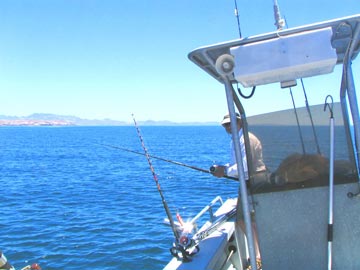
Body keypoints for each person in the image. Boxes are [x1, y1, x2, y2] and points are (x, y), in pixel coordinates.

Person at [211, 113, 266, 180]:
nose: (228, 126)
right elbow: (237, 164)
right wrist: (224, 168)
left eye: (231, 123)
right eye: (226, 124)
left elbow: (245, 165)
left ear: (239, 122)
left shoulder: (246, 139)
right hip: (248, 182)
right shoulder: (236, 140)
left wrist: (225, 171)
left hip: (257, 182)